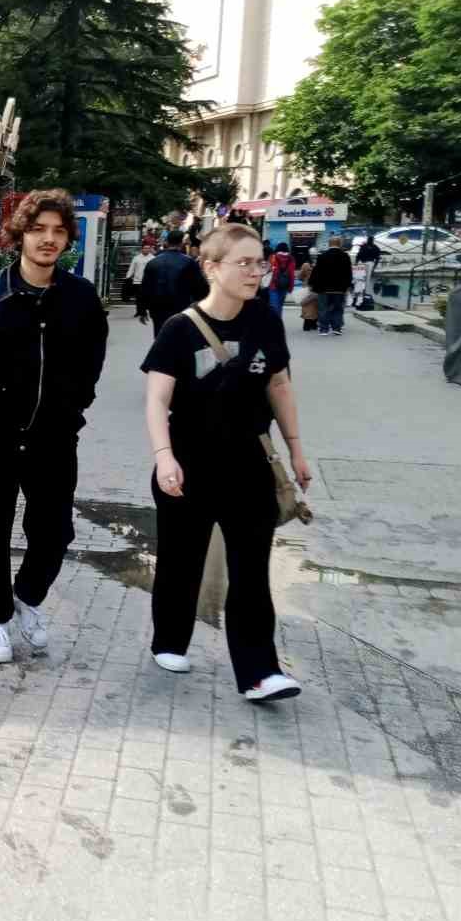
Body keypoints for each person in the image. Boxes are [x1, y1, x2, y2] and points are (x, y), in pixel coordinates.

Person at [0, 188, 109, 665]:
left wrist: (74, 405)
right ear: (20, 235)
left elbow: (93, 359)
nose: (48, 240)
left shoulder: (81, 297)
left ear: (67, 238)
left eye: (57, 231)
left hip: (54, 437)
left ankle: (26, 598)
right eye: (38, 230)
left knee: (54, 533)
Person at [142, 223, 313, 702]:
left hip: (251, 467)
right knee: (181, 560)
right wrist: (163, 458)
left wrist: (296, 449)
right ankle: (170, 640)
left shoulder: (265, 321)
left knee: (251, 570)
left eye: (259, 262)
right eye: (244, 262)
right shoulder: (180, 329)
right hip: (189, 465)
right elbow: (157, 399)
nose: (255, 272)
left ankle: (260, 671)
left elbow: (278, 385)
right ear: (211, 267)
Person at [138, 229, 208, 335]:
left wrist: (141, 310)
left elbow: (145, 288)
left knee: (161, 337)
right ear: (181, 243)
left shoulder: (153, 263)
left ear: (167, 242)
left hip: (158, 309)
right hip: (182, 307)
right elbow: (200, 287)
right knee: (181, 339)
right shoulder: (189, 263)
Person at [310, 235, 353, 336]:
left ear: (329, 244)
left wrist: (312, 285)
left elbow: (316, 272)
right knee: (338, 308)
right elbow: (348, 273)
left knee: (323, 308)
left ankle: (324, 329)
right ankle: (336, 328)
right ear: (340, 244)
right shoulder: (345, 256)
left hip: (323, 288)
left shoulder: (322, 256)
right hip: (339, 289)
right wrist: (348, 286)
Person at [125, 240, 155, 315]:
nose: (146, 249)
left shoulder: (153, 258)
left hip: (148, 281)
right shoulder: (136, 258)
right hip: (137, 281)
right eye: (145, 248)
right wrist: (128, 277)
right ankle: (138, 311)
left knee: (146, 297)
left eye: (148, 248)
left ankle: (144, 310)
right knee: (138, 297)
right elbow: (132, 268)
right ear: (142, 249)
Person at [267, 240, 296, 316]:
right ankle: (278, 323)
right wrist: (291, 288)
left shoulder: (272, 257)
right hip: (284, 286)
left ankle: (275, 324)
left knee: (274, 307)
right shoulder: (291, 259)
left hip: (273, 285)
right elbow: (292, 275)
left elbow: (267, 271)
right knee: (279, 306)